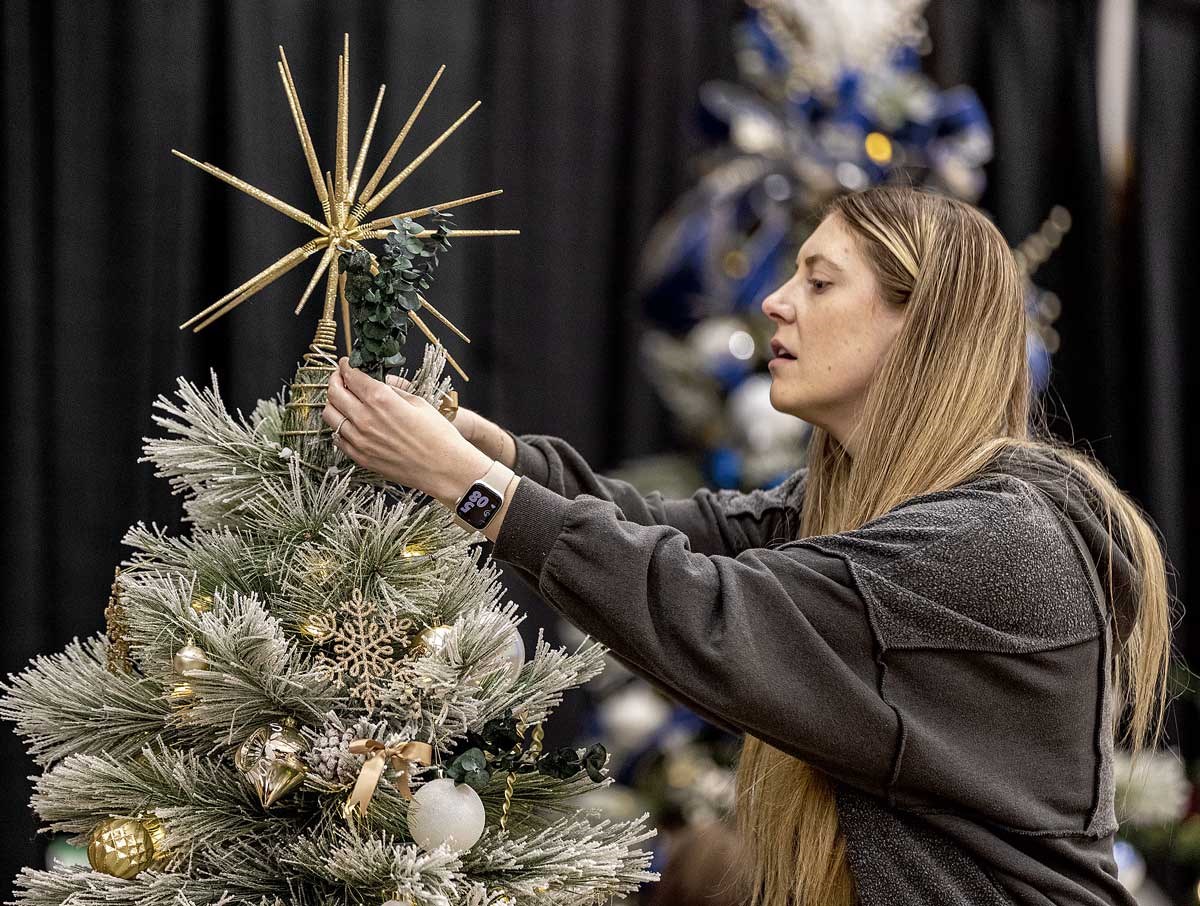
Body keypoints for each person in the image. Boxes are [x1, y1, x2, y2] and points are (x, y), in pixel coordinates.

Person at [321, 184, 1176, 906]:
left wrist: (472, 487)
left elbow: (707, 610)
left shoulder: (993, 539)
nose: (775, 299)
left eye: (820, 281)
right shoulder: (876, 508)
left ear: (916, 327)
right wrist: (494, 455)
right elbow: (673, 534)